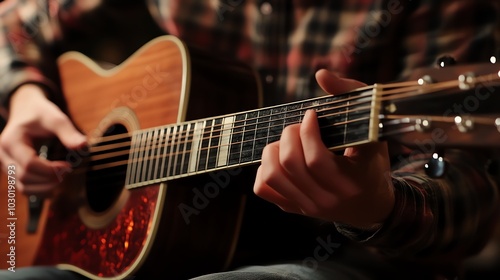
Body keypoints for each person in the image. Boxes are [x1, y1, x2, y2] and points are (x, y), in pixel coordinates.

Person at [0, 0, 499, 279]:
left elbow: (471, 196)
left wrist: (379, 208)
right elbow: (17, 22)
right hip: (163, 248)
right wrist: (23, 94)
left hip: (351, 261)